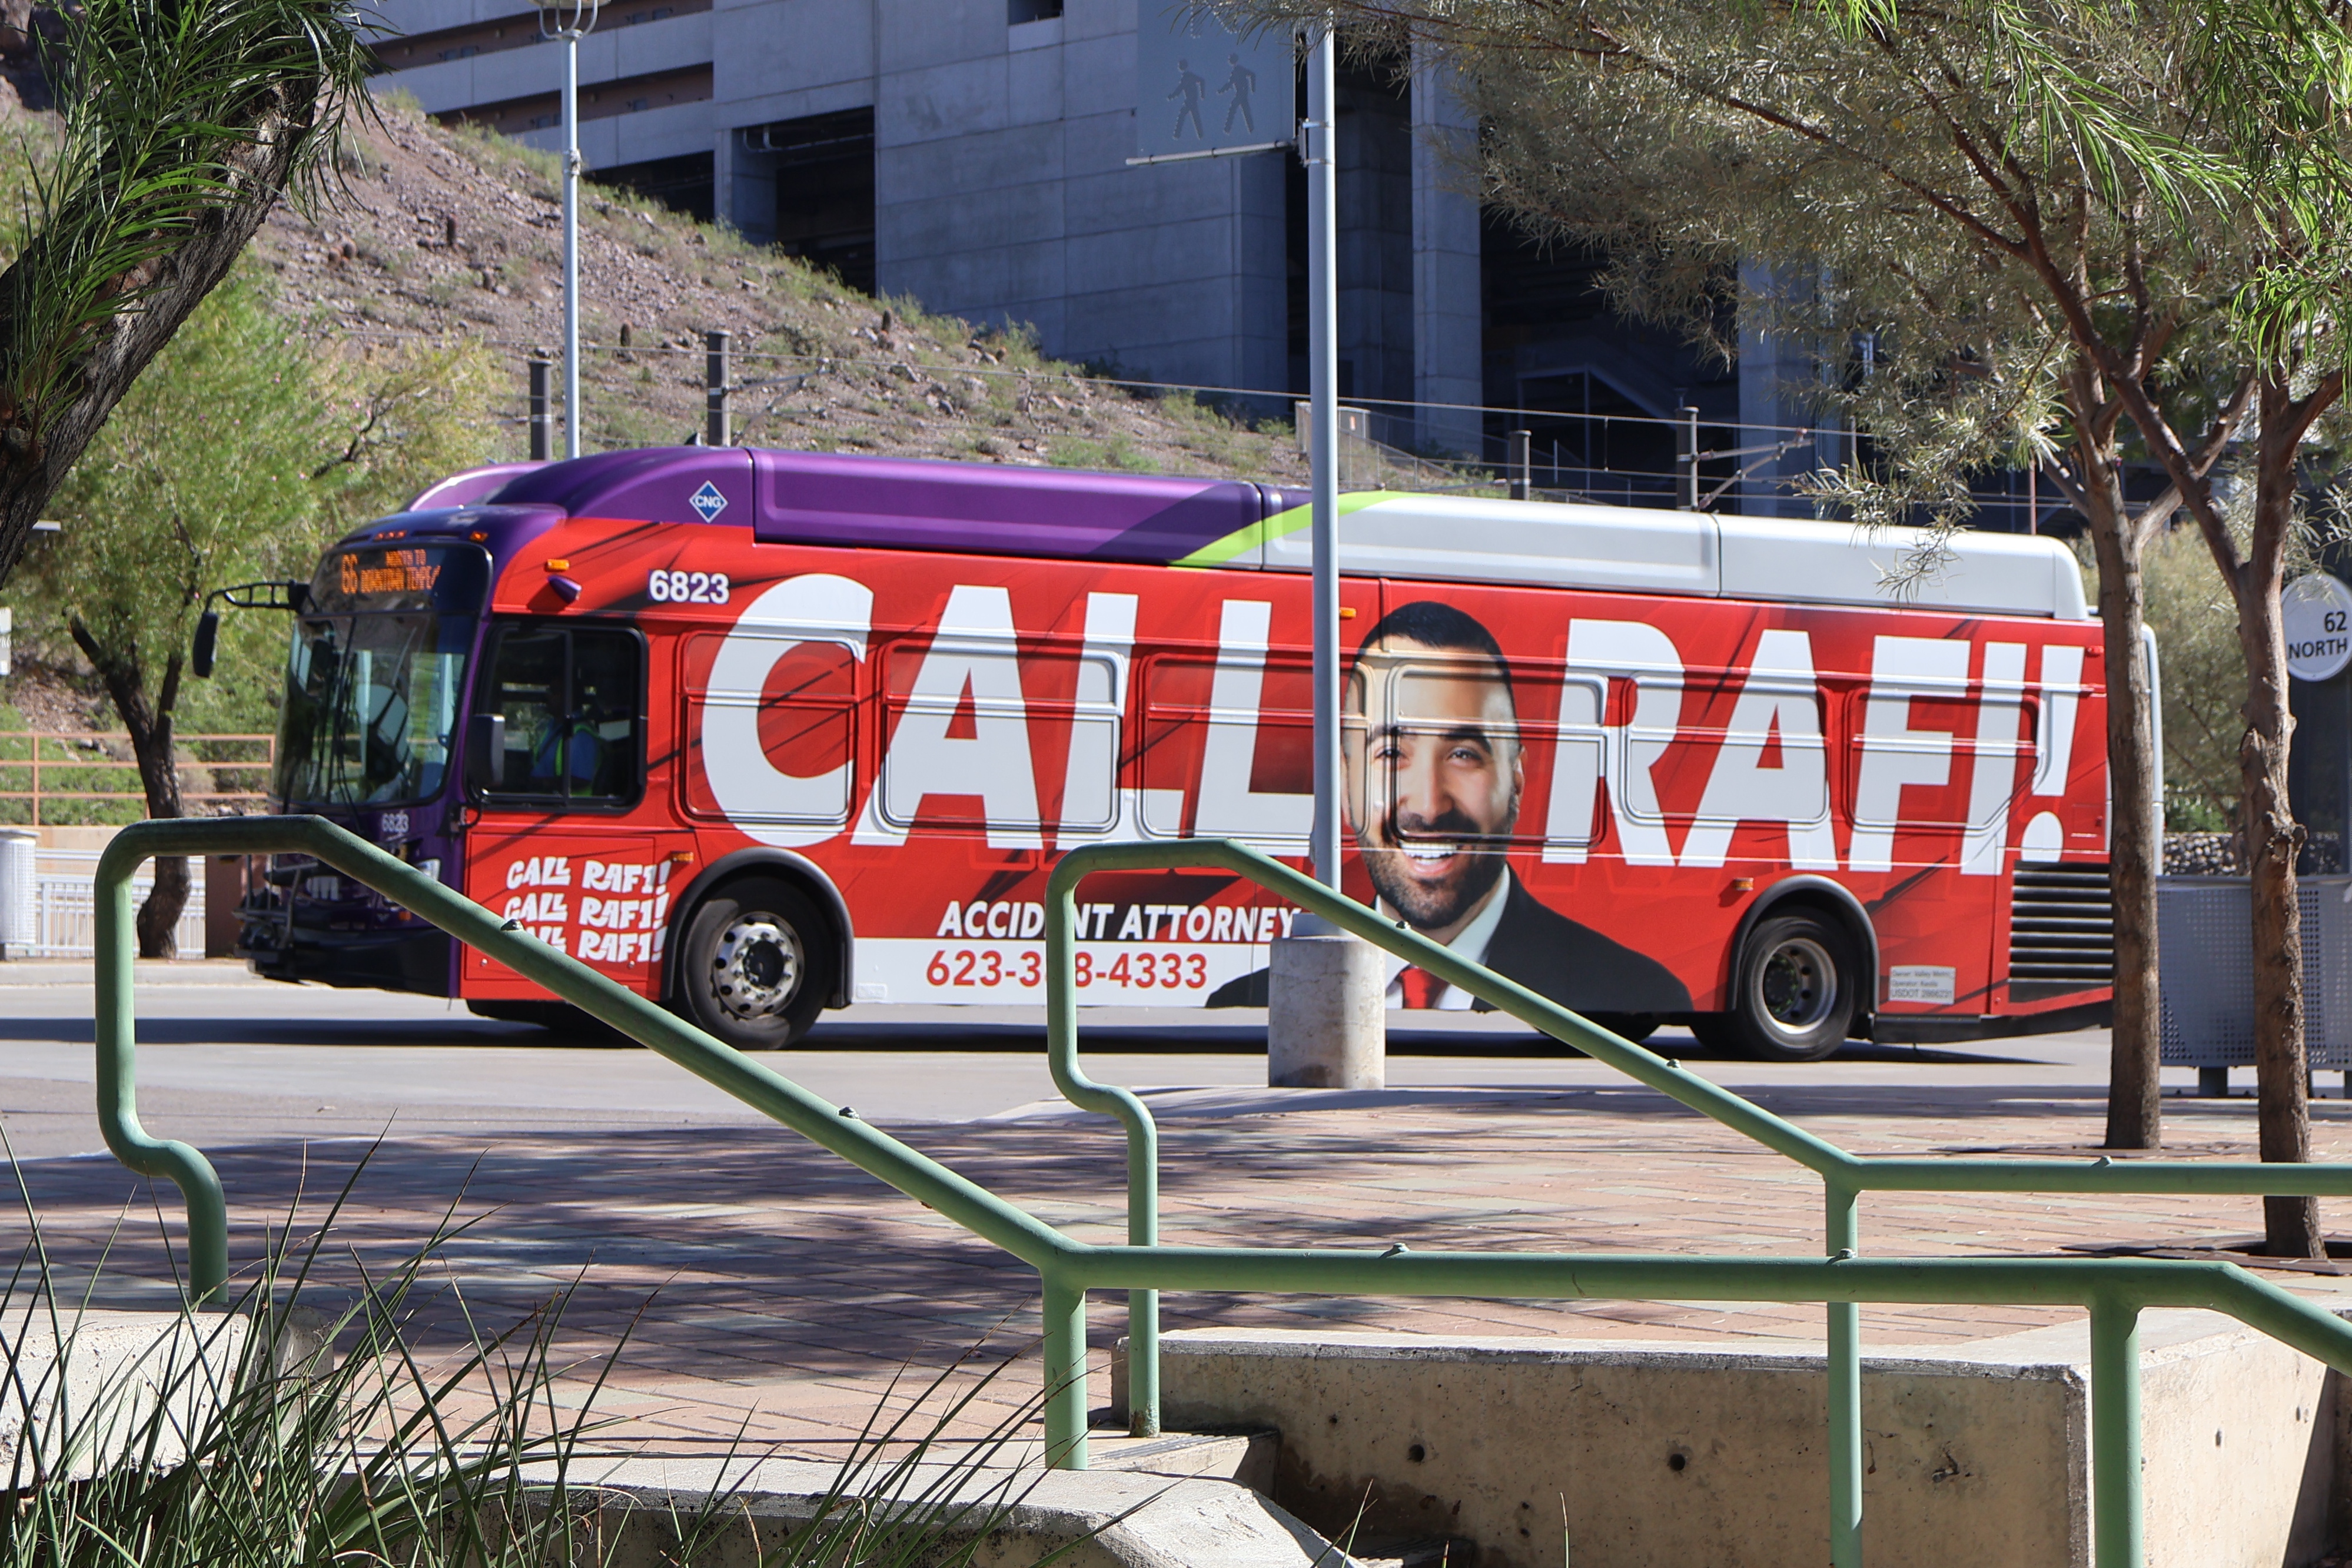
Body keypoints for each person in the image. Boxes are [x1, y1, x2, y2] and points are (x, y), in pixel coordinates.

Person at [1208, 600, 1690, 1014]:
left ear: (1516, 776)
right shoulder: (1249, 1002)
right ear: (1344, 776)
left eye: (1464, 754)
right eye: (1392, 754)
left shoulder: (1636, 986)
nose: (1429, 805)